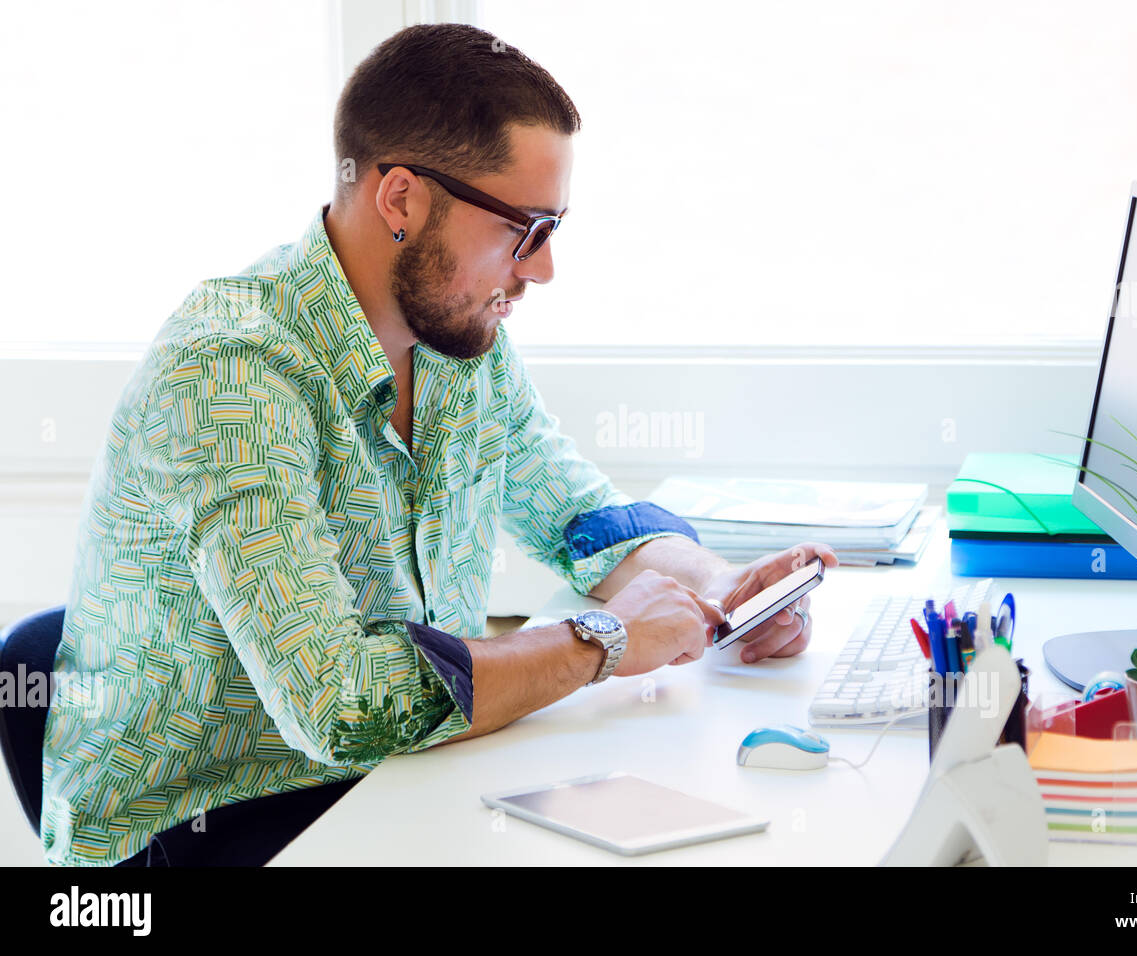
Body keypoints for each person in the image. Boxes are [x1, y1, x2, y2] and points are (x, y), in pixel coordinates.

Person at [42, 22, 836, 867]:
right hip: (203, 839)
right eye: (525, 229)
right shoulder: (229, 375)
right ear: (401, 200)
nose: (543, 269)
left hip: (395, 791)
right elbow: (344, 709)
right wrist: (598, 641)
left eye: (555, 226)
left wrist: (717, 592)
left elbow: (581, 518)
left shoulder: (460, 342)